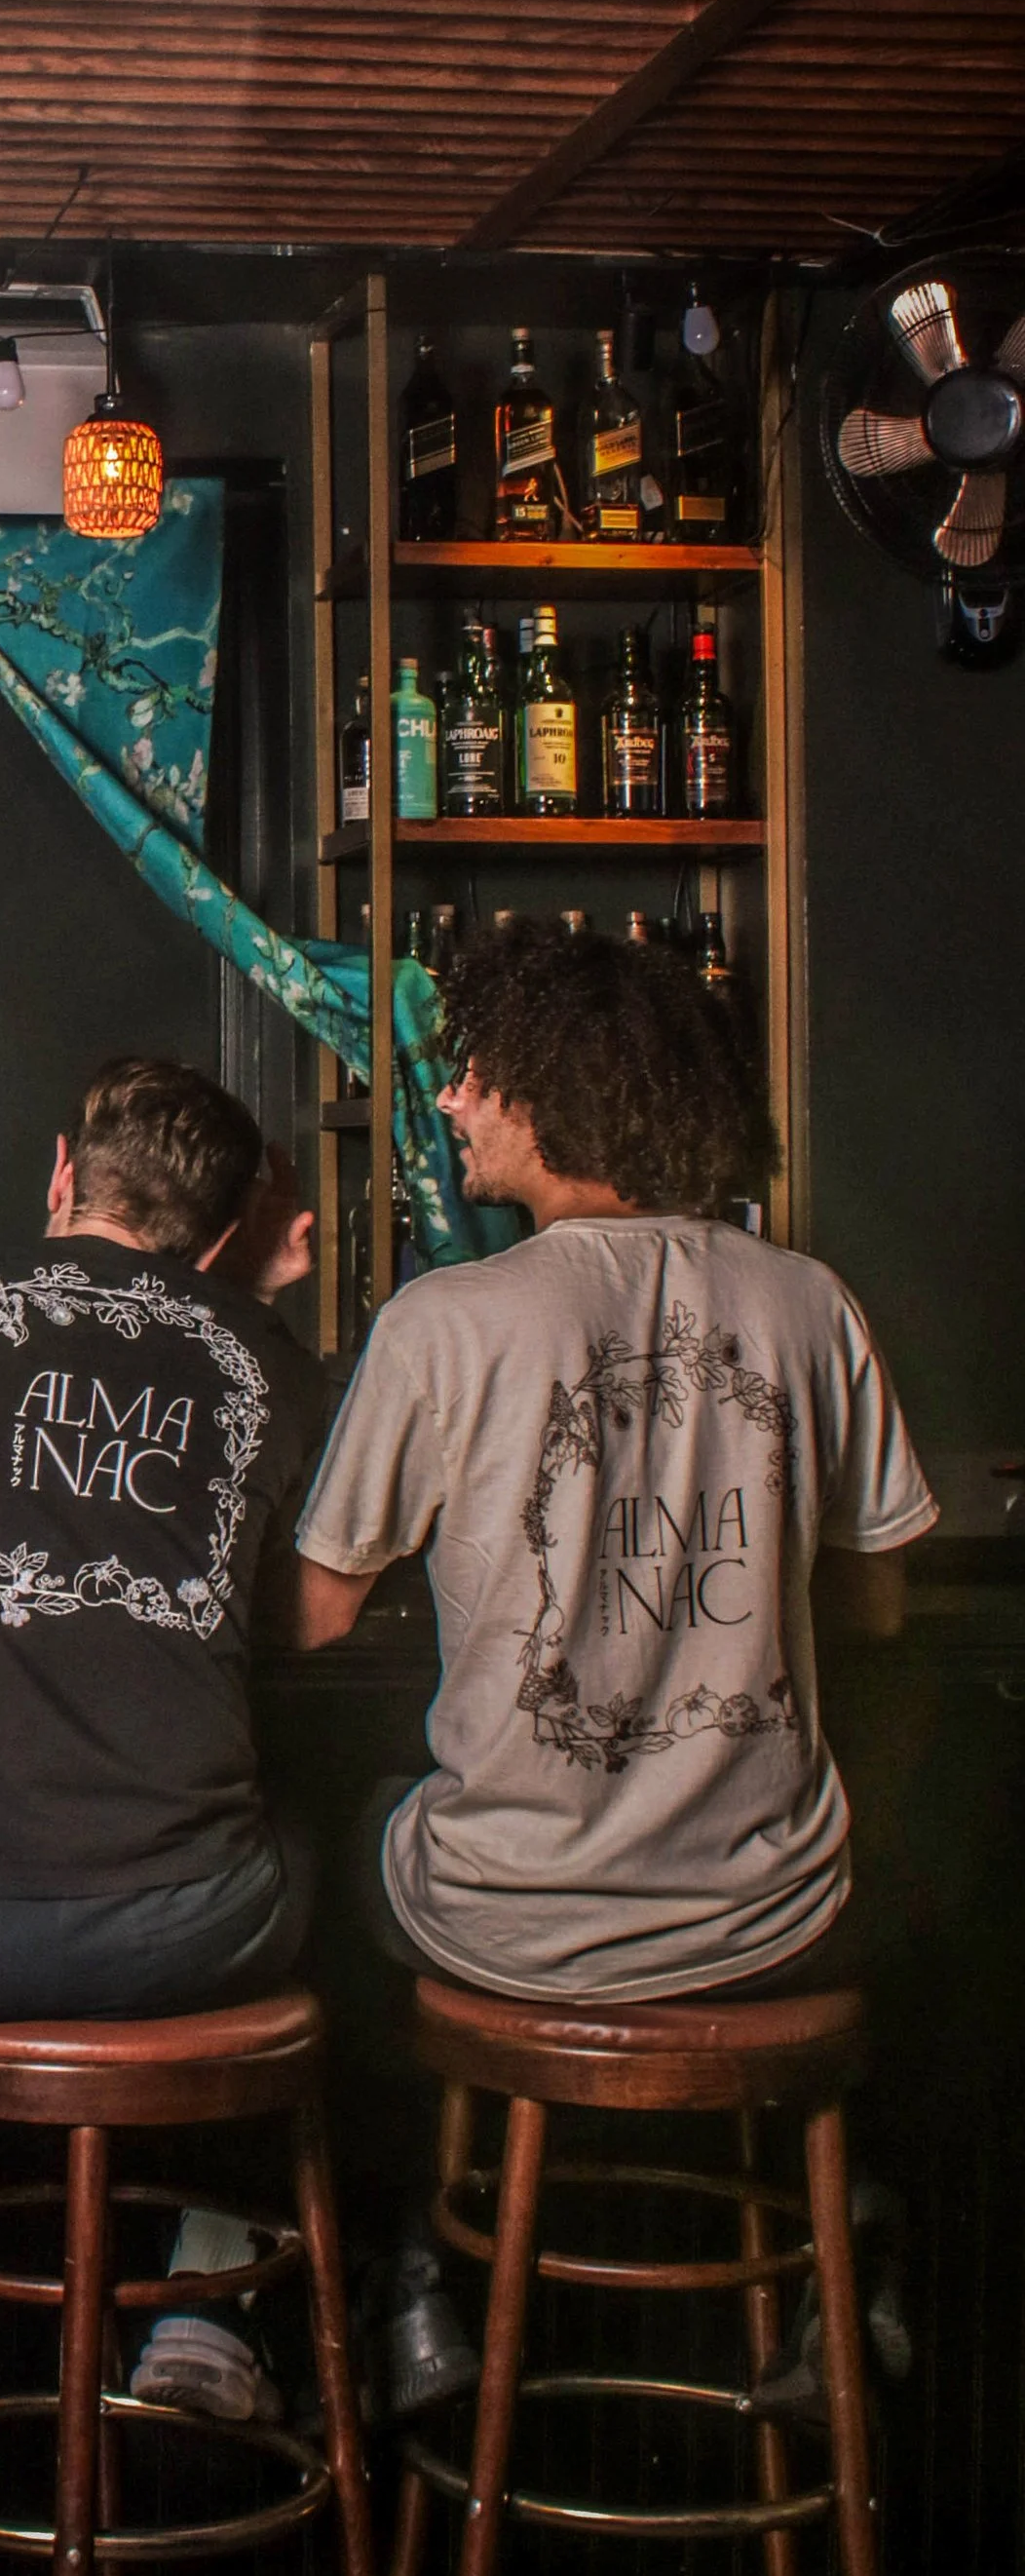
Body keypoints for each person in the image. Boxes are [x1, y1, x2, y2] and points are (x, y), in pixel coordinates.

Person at [289, 918, 935, 2413]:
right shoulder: (809, 1301)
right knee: (918, 1856)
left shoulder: (442, 1323)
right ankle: (834, 2248)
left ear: (550, 1089)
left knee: (314, 1852)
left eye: (470, 1075)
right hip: (771, 1920)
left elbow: (320, 1622)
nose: (446, 1104)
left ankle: (415, 2261)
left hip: (510, 1929)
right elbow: (883, 1614)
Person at [0, 1059, 332, 2426]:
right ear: (220, 1239)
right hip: (180, 1937)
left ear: (59, 1176)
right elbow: (294, 1608)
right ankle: (211, 2284)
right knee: (332, 1846)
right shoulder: (269, 1359)